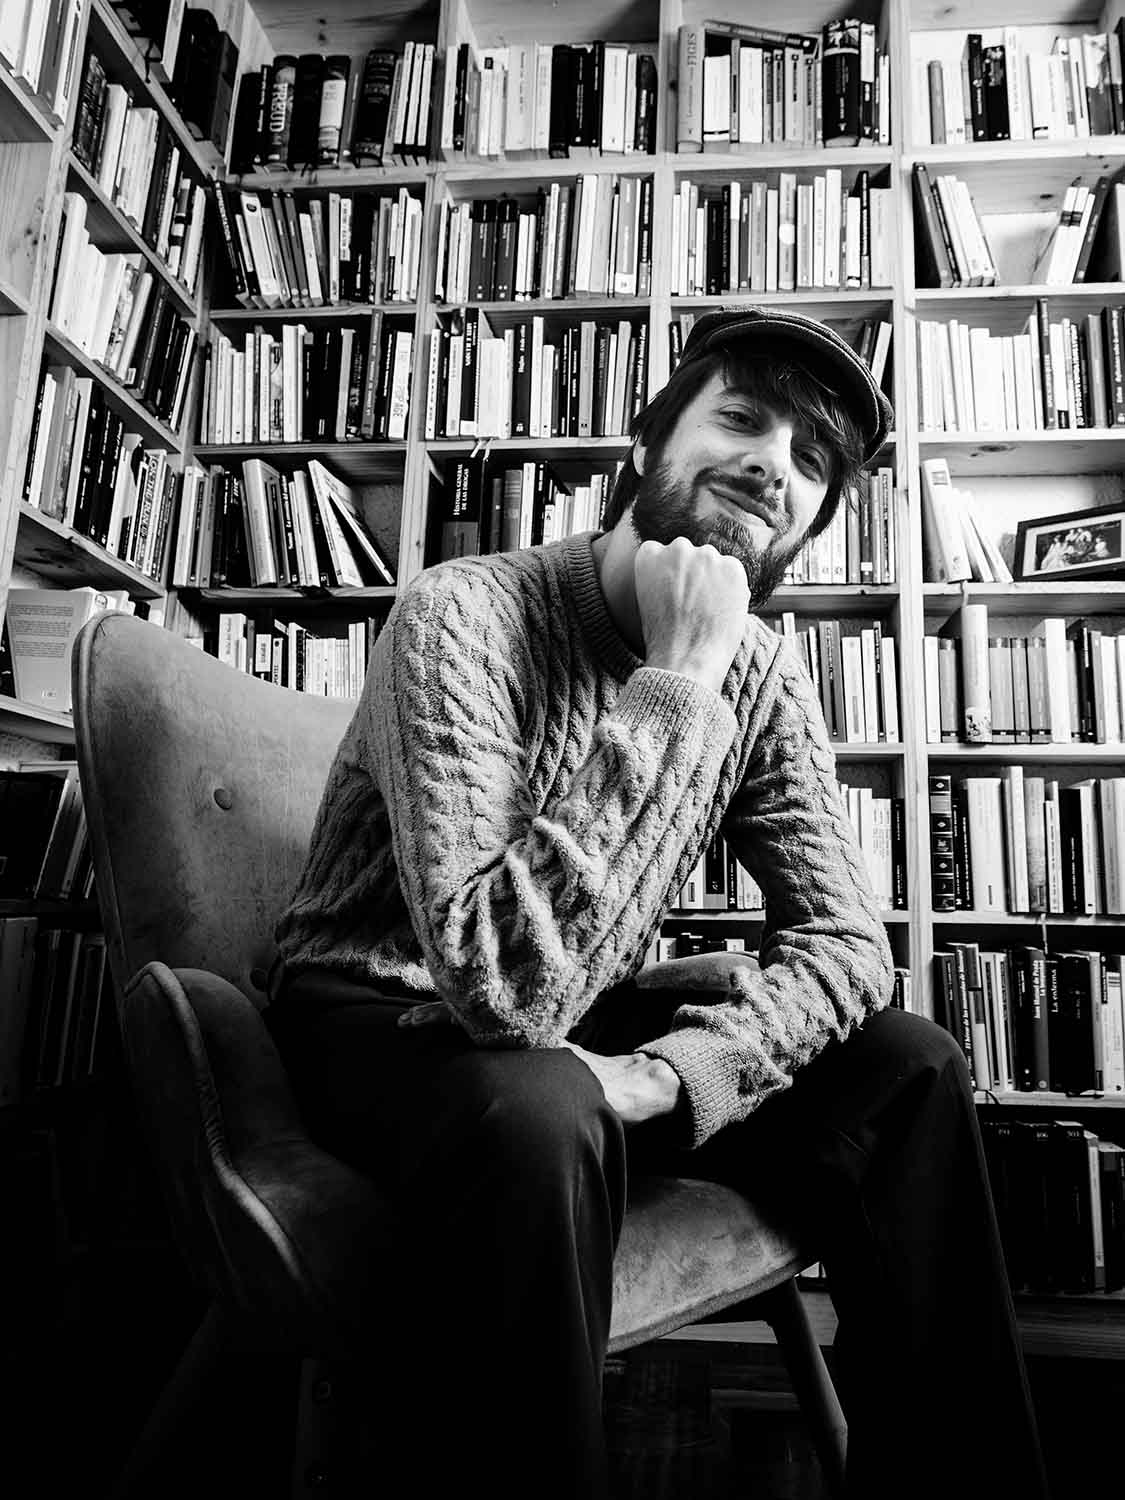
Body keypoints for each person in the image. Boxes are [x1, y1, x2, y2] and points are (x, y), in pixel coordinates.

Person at [266, 308, 1049, 1500]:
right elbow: (499, 991)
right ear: (644, 446)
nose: (773, 465)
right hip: (374, 1014)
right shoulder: (463, 611)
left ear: (813, 520)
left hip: (575, 1026)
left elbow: (849, 948)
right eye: (741, 419)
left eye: (812, 460)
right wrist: (676, 682)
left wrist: (681, 1072)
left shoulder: (766, 672)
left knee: (911, 1064)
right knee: (538, 1099)